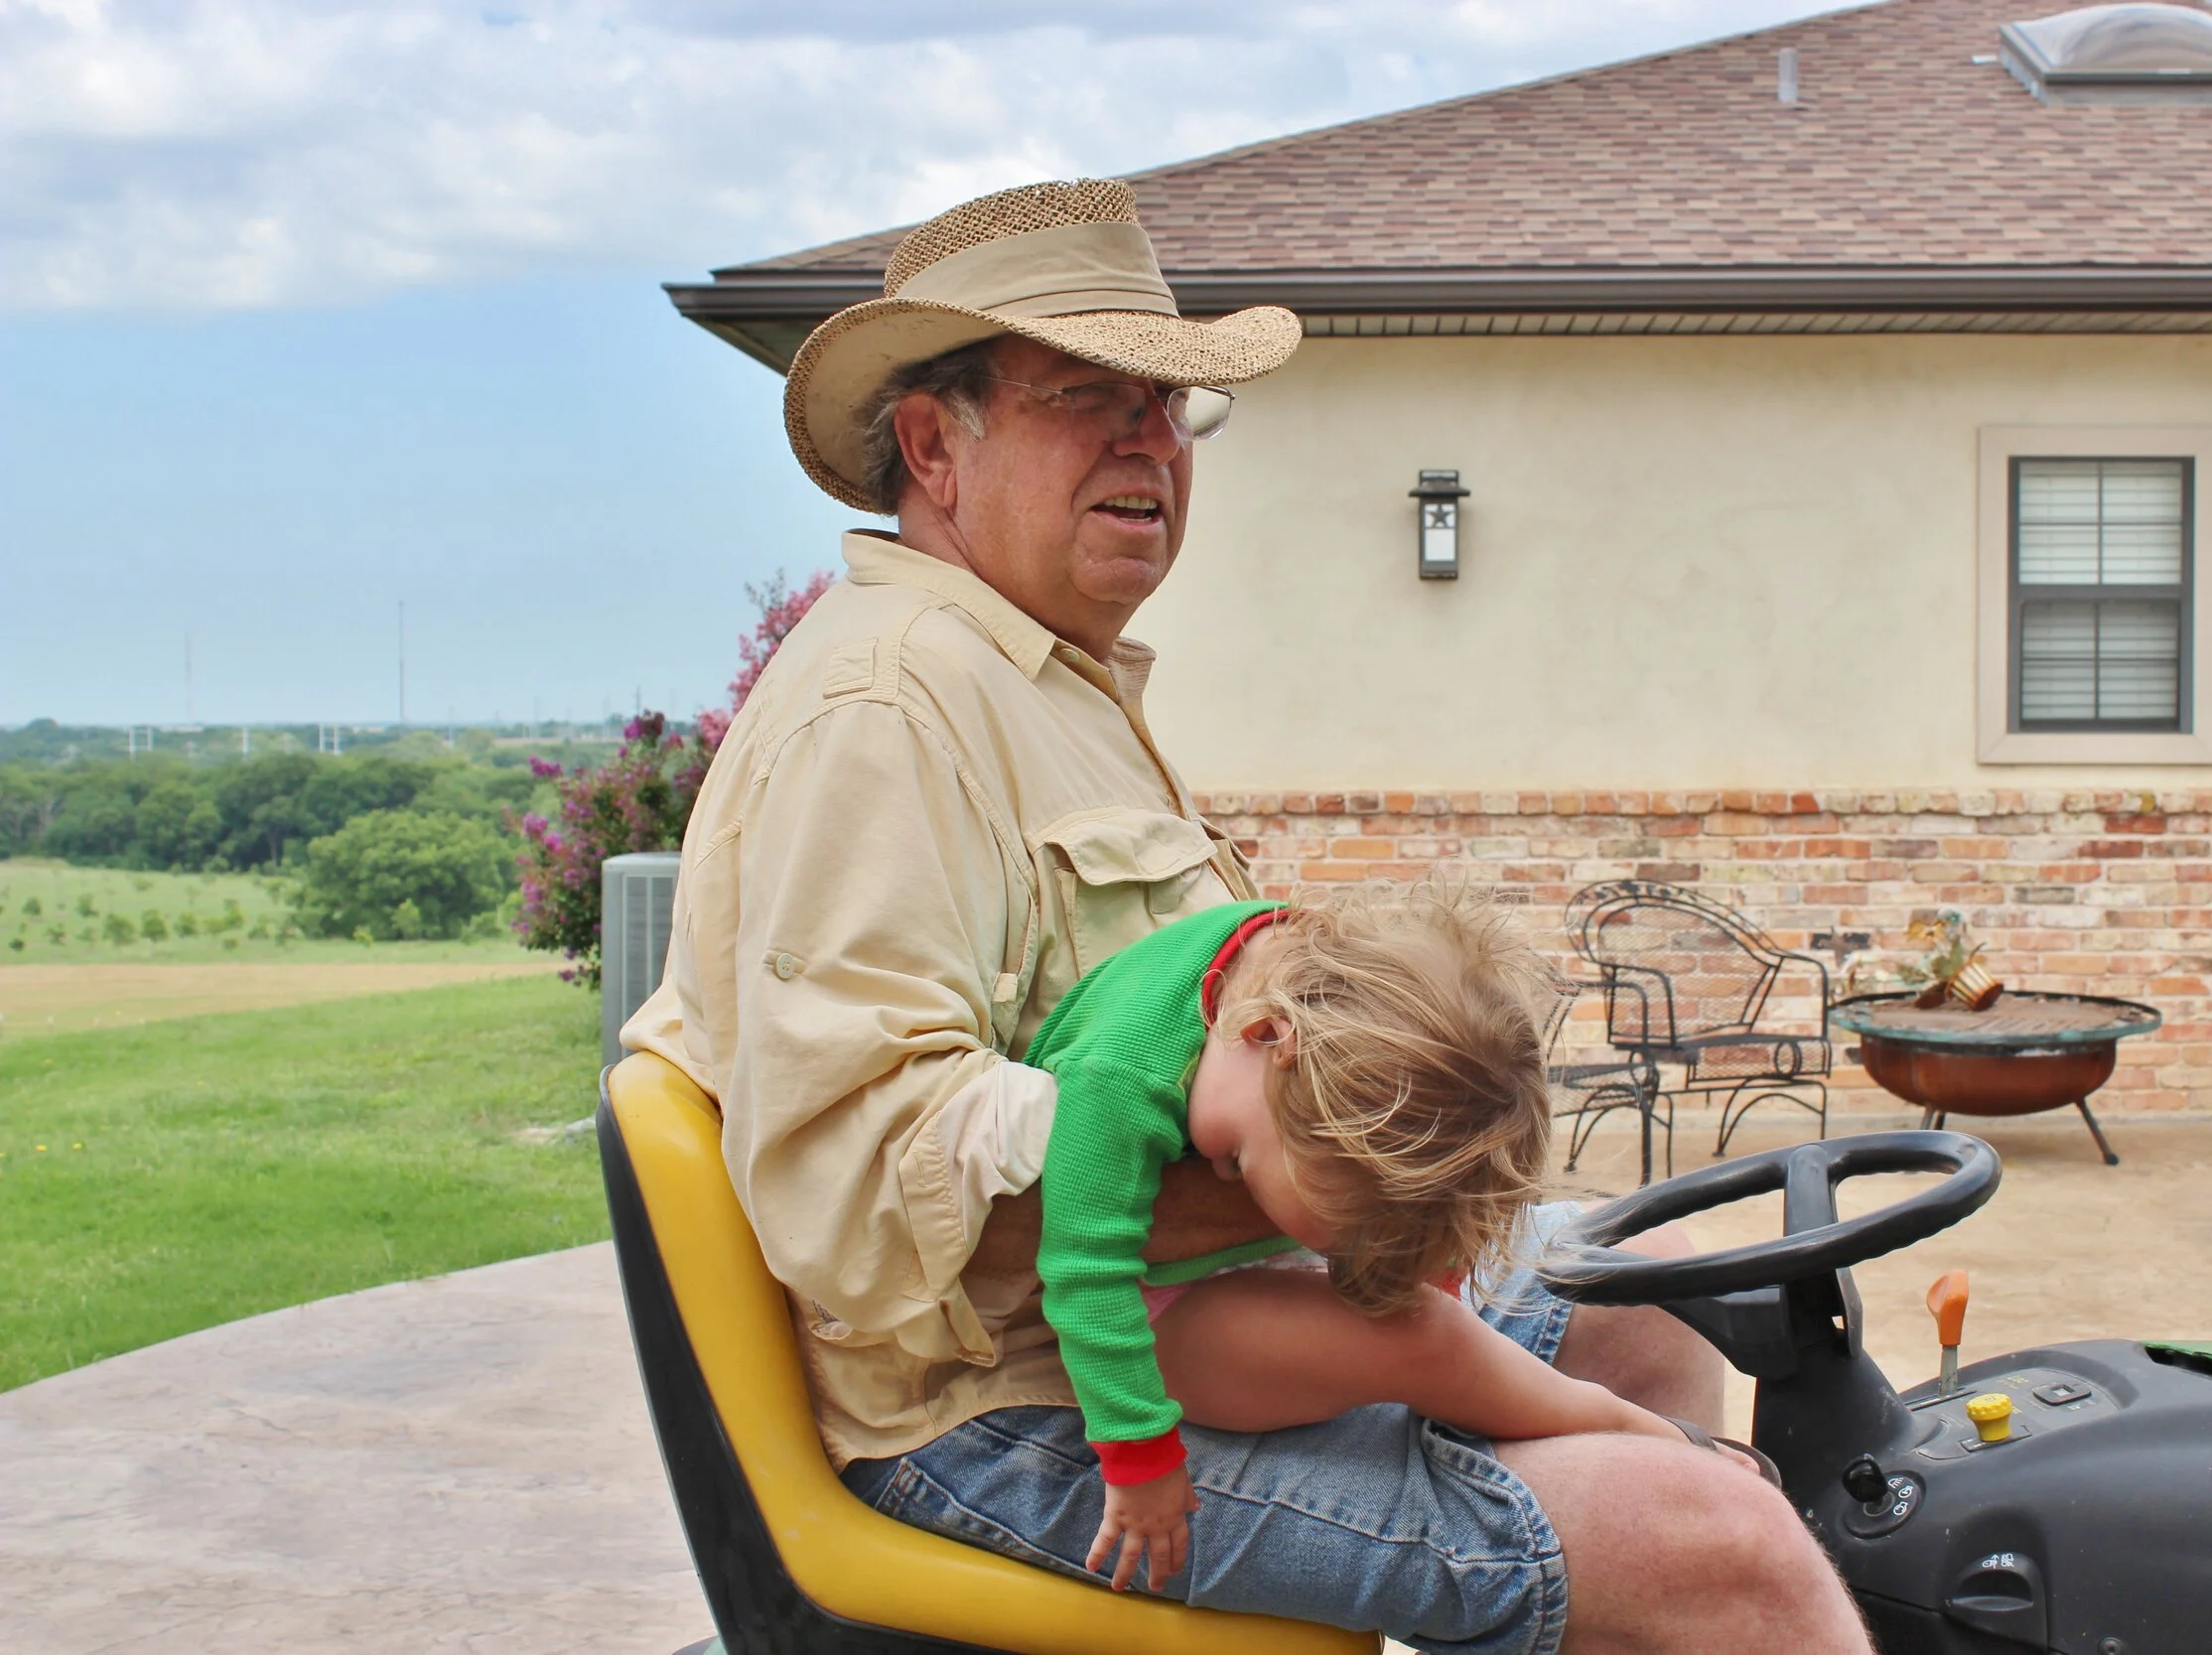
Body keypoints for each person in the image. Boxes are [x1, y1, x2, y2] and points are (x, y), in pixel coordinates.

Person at [623, 177, 1868, 1655]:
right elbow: (854, 1182)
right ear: (931, 443)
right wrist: (1283, 1171)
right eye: (1087, 393)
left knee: (1653, 1304)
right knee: (1725, 1543)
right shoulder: (889, 705)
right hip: (1015, 1411)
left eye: (1169, 402)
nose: (1147, 436)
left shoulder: (1040, 679)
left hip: (1182, 1313)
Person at [1031, 888, 1773, 1593]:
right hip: (1136, 1316)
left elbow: (1407, 1185)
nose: (1221, 1170)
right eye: (1239, 1163)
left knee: (1419, 1303)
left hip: (1213, 1273)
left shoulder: (1304, 976)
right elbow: (1086, 1275)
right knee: (1418, 1342)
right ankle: (1625, 1426)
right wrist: (1140, 1459)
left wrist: (1429, 1262)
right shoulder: (1118, 1081)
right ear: (1265, 1035)